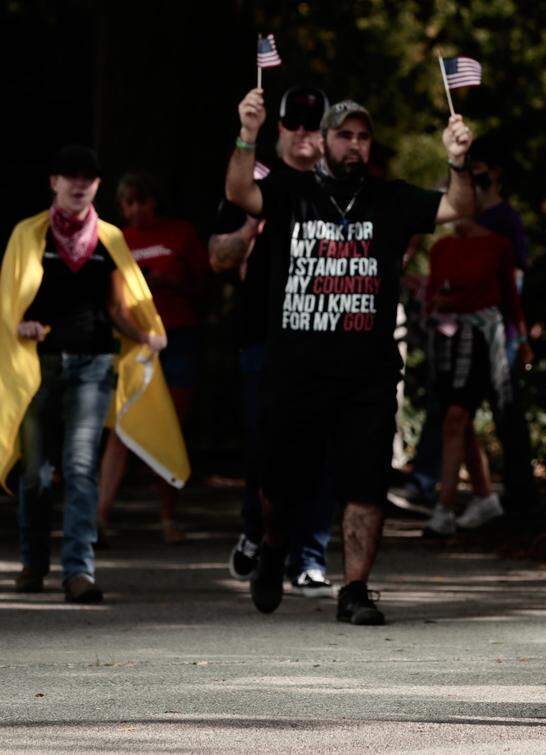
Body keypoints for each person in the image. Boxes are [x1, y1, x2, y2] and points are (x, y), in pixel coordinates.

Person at [224, 90, 474, 625]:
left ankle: (355, 589)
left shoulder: (391, 199)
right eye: (344, 135)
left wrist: (457, 160)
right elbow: (240, 192)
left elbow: (459, 206)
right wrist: (248, 134)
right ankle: (272, 548)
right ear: (325, 140)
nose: (354, 145)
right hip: (295, 369)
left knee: (364, 483)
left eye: (363, 136)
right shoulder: (291, 190)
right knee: (280, 482)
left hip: (367, 374)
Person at [0, 145, 187, 603]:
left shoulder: (110, 239)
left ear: (97, 185)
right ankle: (34, 562)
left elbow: (117, 306)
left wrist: (145, 334)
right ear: (53, 182)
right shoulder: (29, 234)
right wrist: (19, 323)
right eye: (69, 175)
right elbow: (10, 301)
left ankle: (78, 572)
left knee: (82, 467)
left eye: (87, 177)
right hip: (38, 364)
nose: (78, 184)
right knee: (38, 474)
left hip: (94, 364)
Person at [209, 85, 338, 598]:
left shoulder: (340, 187)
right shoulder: (253, 183)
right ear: (279, 128)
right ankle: (257, 530)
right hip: (263, 334)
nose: (304, 134)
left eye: (313, 126)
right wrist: (252, 226)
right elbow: (218, 257)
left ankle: (310, 555)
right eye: (295, 125)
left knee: (323, 448)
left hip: (325, 335)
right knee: (266, 448)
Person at [96, 172, 209, 545]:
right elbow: (111, 299)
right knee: (120, 430)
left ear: (155, 202)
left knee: (169, 427)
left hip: (178, 337)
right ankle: (98, 519)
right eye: (129, 203)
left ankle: (167, 518)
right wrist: (138, 333)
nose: (137, 210)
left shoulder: (181, 234)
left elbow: (207, 285)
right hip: (135, 345)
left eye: (142, 201)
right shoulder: (117, 241)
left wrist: (172, 284)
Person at [421, 212, 531, 536]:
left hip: (482, 339)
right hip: (446, 338)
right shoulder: (440, 247)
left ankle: (443, 510)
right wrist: (436, 302)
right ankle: (484, 497)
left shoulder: (497, 246)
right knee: (459, 420)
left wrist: (522, 340)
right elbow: (433, 293)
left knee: (456, 416)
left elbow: (510, 296)